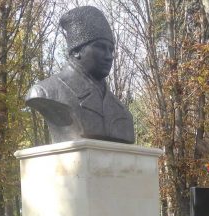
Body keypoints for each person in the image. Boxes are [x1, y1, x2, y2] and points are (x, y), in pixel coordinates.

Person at [25, 6, 135, 144]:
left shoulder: (122, 111)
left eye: (111, 50)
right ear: (76, 50)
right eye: (100, 47)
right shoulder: (45, 92)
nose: (109, 56)